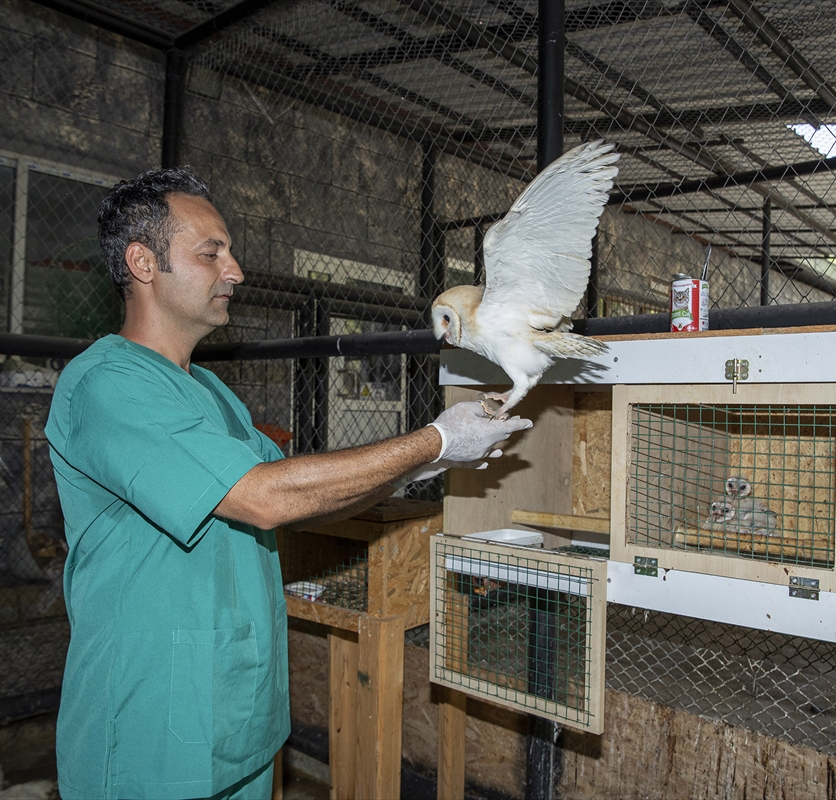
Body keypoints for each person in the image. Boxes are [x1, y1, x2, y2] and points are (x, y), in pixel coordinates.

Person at [45, 167, 531, 800]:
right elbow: (263, 496)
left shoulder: (211, 391)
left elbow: (299, 501)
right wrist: (433, 439)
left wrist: (430, 463)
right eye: (210, 252)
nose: (235, 270)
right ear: (143, 262)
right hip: (152, 719)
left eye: (230, 251)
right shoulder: (107, 384)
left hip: (235, 712)